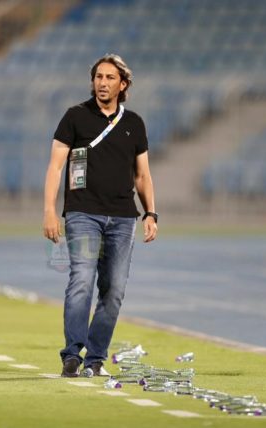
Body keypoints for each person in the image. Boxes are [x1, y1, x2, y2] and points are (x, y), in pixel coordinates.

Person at [43, 54, 158, 377]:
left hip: (123, 218)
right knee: (81, 279)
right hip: (82, 214)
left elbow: (143, 175)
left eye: (110, 78)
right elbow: (55, 167)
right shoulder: (75, 117)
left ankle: (95, 358)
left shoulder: (134, 123)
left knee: (114, 289)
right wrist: (49, 210)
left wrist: (151, 213)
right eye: (98, 77)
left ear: (123, 85)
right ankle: (72, 354)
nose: (103, 83)